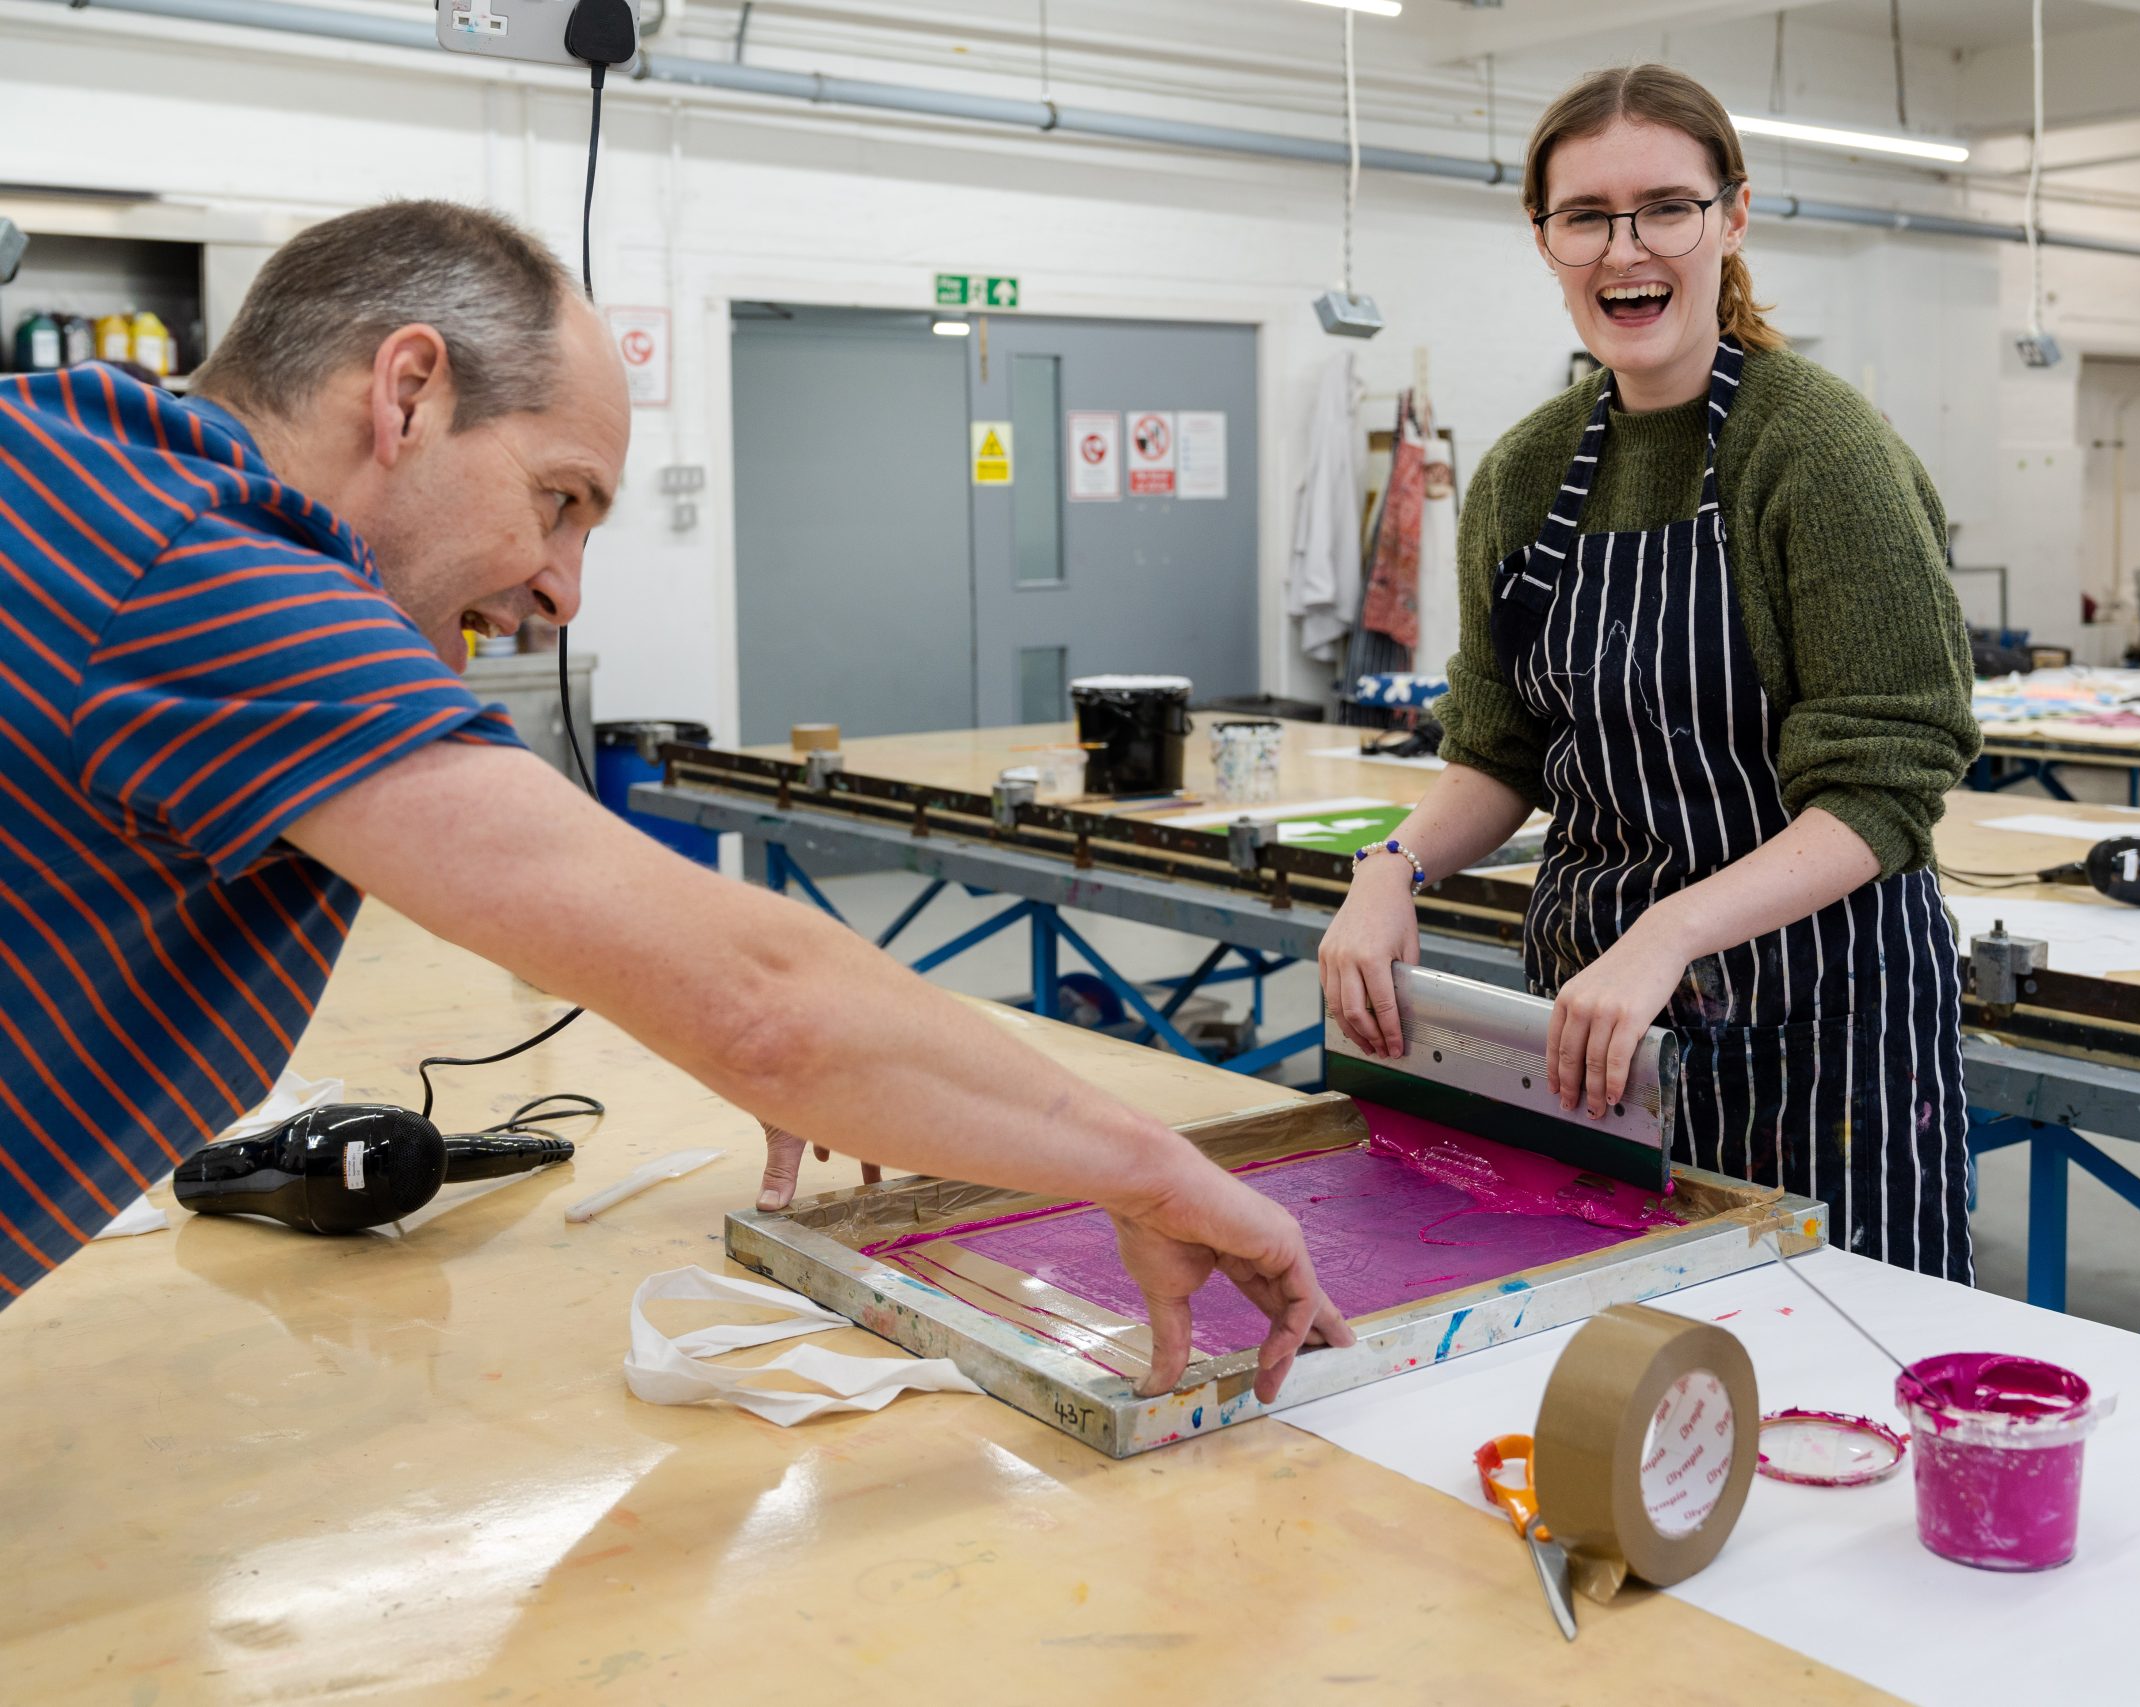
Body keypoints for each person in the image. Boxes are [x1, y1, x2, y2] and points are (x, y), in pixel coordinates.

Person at [0, 200, 1348, 1399]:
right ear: (407, 392)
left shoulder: (78, 467)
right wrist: (1158, 1171)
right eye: (559, 498)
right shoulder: (201, 568)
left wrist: (751, 1015)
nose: (561, 589)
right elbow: (764, 1004)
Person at [1319, 66, 1980, 1279]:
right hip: (1592, 1026)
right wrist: (1389, 870)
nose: (1627, 247)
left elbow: (1883, 787)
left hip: (1819, 1029)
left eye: (1666, 207)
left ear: (1730, 220)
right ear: (1546, 240)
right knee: (1612, 1366)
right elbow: (1501, 750)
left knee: (1831, 1383)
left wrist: (1672, 933)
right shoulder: (1526, 474)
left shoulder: (1817, 451)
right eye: (1587, 216)